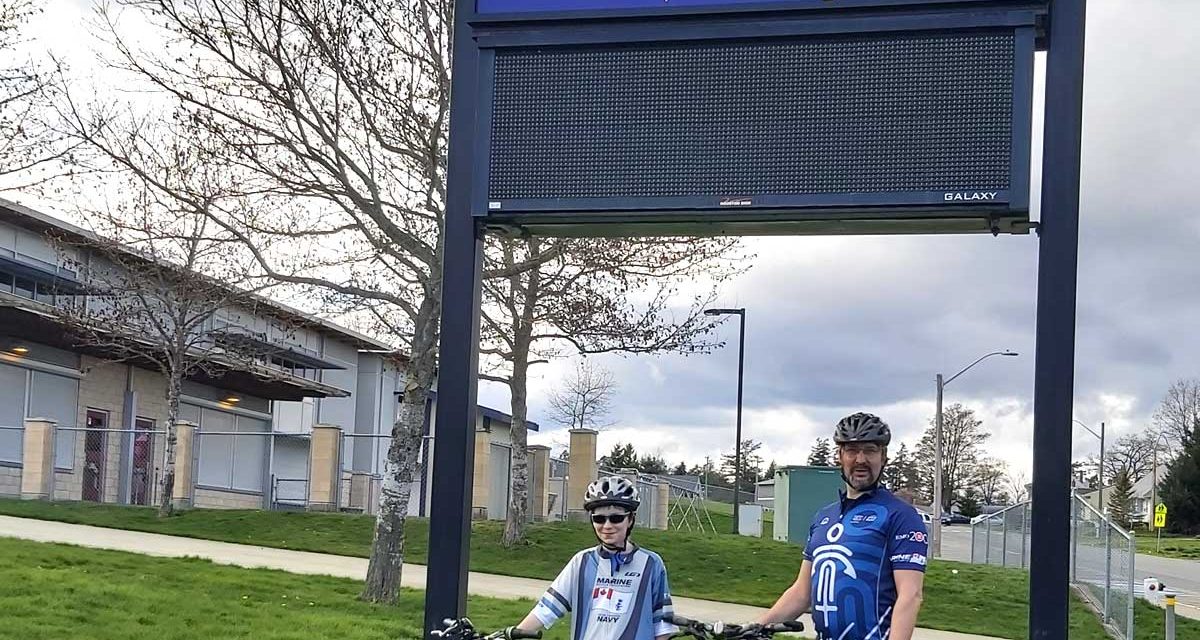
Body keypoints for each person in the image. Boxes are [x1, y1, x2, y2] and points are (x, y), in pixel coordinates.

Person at [754, 412, 927, 640]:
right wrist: (755, 628)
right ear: (840, 456)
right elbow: (802, 593)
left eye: (870, 450)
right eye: (852, 450)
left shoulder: (901, 516)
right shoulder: (824, 517)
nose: (861, 459)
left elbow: (911, 595)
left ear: (883, 457)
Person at [503, 476, 678, 640]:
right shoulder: (582, 562)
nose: (607, 526)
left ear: (630, 520)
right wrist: (512, 634)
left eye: (616, 518)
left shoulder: (651, 564)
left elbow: (662, 625)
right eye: (599, 519)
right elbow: (547, 609)